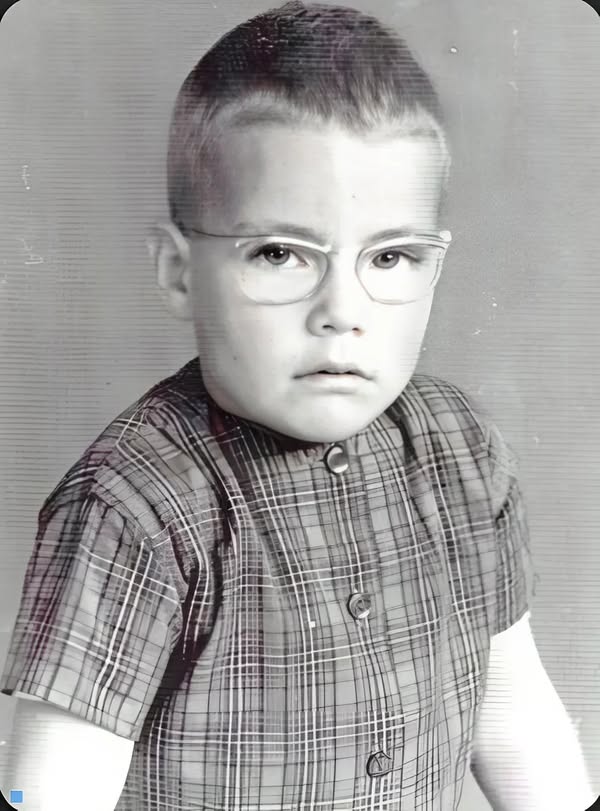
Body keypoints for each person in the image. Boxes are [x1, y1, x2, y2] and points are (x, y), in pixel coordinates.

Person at [0, 2, 595, 810]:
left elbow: (515, 715)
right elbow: (52, 792)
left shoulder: (462, 452)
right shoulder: (133, 506)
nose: (341, 311)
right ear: (179, 272)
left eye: (390, 256)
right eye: (280, 253)